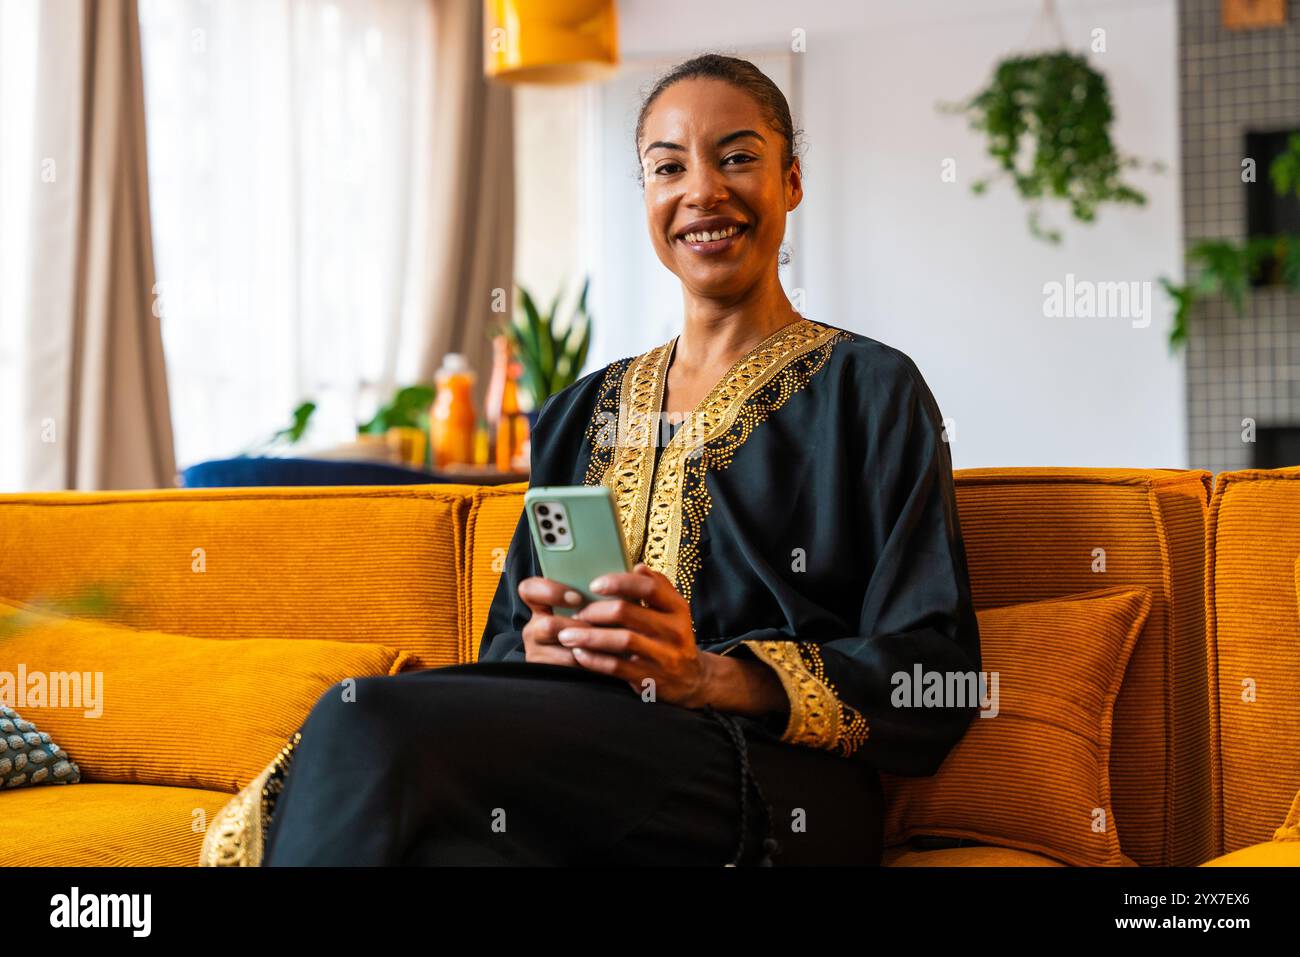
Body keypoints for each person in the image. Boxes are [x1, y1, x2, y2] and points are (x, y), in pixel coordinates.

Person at [203, 52, 981, 867]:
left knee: (361, 715)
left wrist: (708, 675)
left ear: (790, 182)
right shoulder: (581, 411)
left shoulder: (871, 389)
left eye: (738, 157)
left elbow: (934, 671)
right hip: (579, 758)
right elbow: (506, 647)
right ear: (646, 196)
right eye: (667, 167)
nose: (702, 191)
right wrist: (542, 649)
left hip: (773, 782)